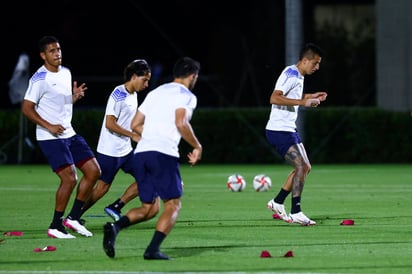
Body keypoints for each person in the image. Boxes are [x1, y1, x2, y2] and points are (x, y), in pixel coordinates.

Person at [103, 56, 203, 260]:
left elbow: (135, 124)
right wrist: (197, 146)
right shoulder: (186, 95)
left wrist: (152, 134)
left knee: (150, 209)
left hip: (141, 154)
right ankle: (152, 250)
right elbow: (181, 123)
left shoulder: (156, 92)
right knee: (173, 204)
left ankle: (115, 227)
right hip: (162, 154)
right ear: (192, 76)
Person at [22, 35, 101, 238]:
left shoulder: (66, 72)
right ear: (43, 55)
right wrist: (48, 125)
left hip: (69, 132)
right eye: (52, 51)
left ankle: (73, 218)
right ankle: (56, 226)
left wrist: (73, 98)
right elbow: (27, 108)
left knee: (94, 171)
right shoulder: (39, 79)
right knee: (69, 178)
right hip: (49, 136)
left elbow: (60, 105)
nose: (57, 53)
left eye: (58, 49)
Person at [79, 59, 153, 222]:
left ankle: (116, 206)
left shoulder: (134, 95)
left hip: (125, 150)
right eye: (145, 80)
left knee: (148, 176)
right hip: (110, 150)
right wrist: (132, 135)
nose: (146, 84)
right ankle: (75, 216)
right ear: (134, 76)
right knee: (102, 187)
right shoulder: (118, 94)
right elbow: (109, 123)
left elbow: (130, 121)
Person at [265, 43, 327, 226]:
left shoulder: (297, 75)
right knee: (301, 166)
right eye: (315, 63)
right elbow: (274, 97)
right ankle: (296, 211)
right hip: (279, 129)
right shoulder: (291, 74)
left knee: (305, 167)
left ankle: (277, 202)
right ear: (305, 60)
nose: (317, 67)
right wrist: (303, 102)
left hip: (288, 128)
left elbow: (291, 95)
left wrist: (309, 96)